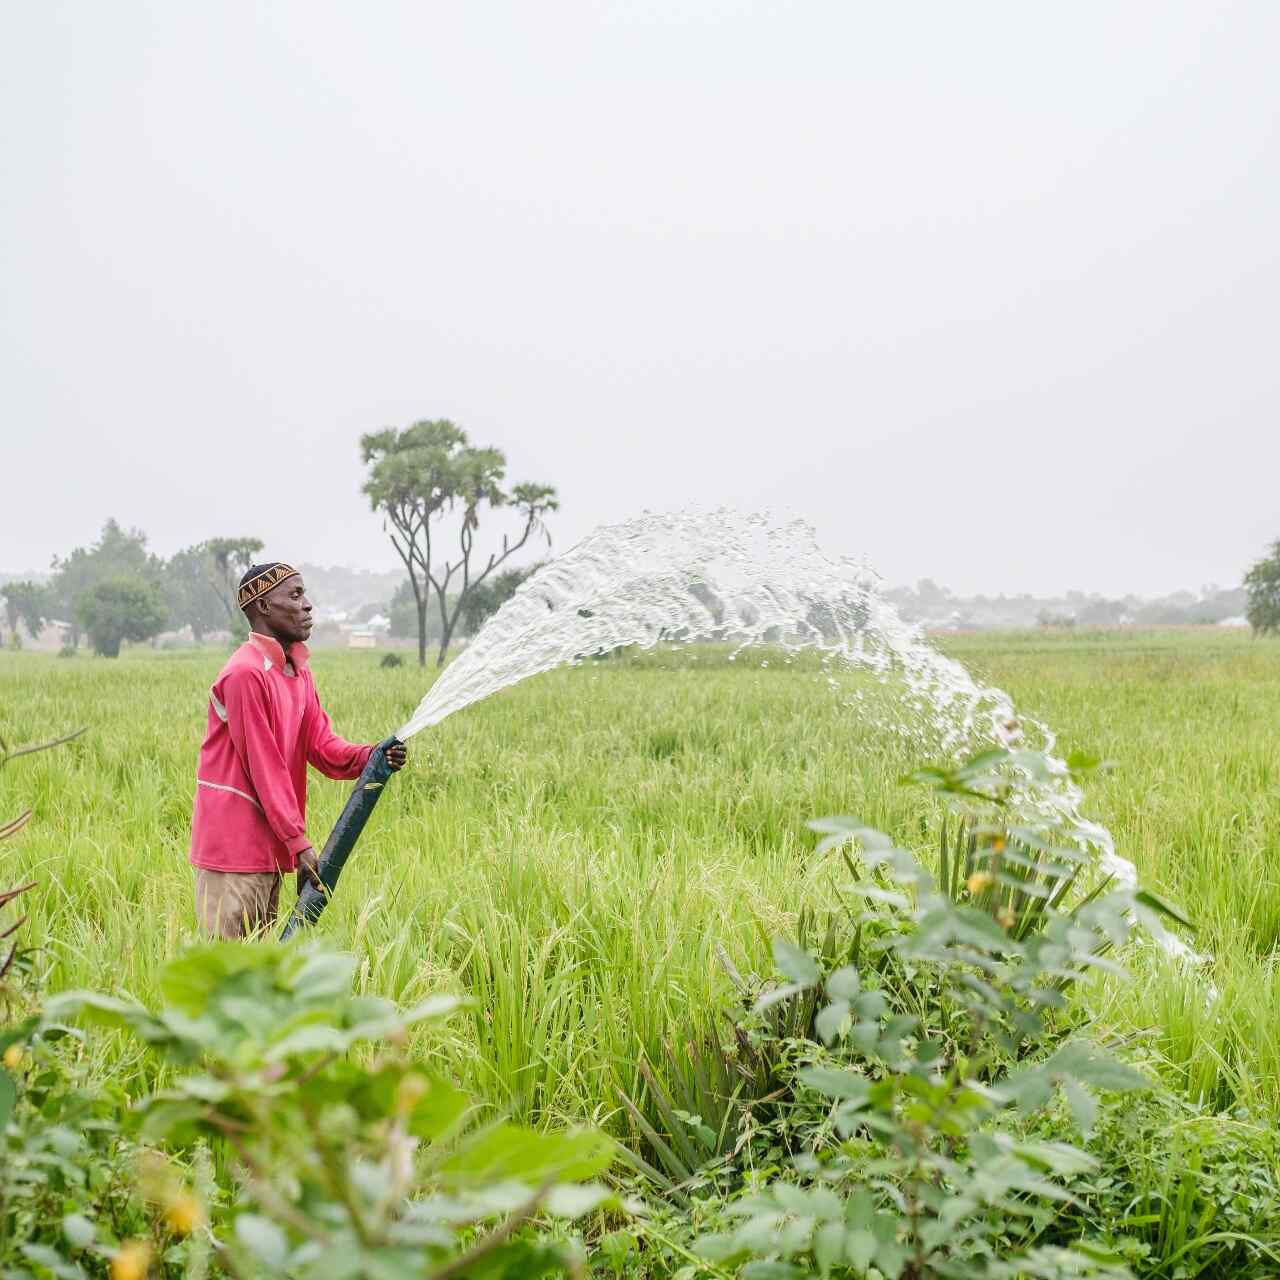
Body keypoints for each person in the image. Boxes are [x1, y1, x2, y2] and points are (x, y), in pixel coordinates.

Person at [188, 561, 407, 937]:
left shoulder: (297, 672)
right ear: (263, 607)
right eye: (295, 595)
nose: (307, 605)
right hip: (233, 848)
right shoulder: (245, 674)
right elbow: (263, 764)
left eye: (304, 594)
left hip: (270, 851)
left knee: (260, 975)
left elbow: (322, 746)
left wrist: (372, 756)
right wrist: (299, 842)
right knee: (228, 978)